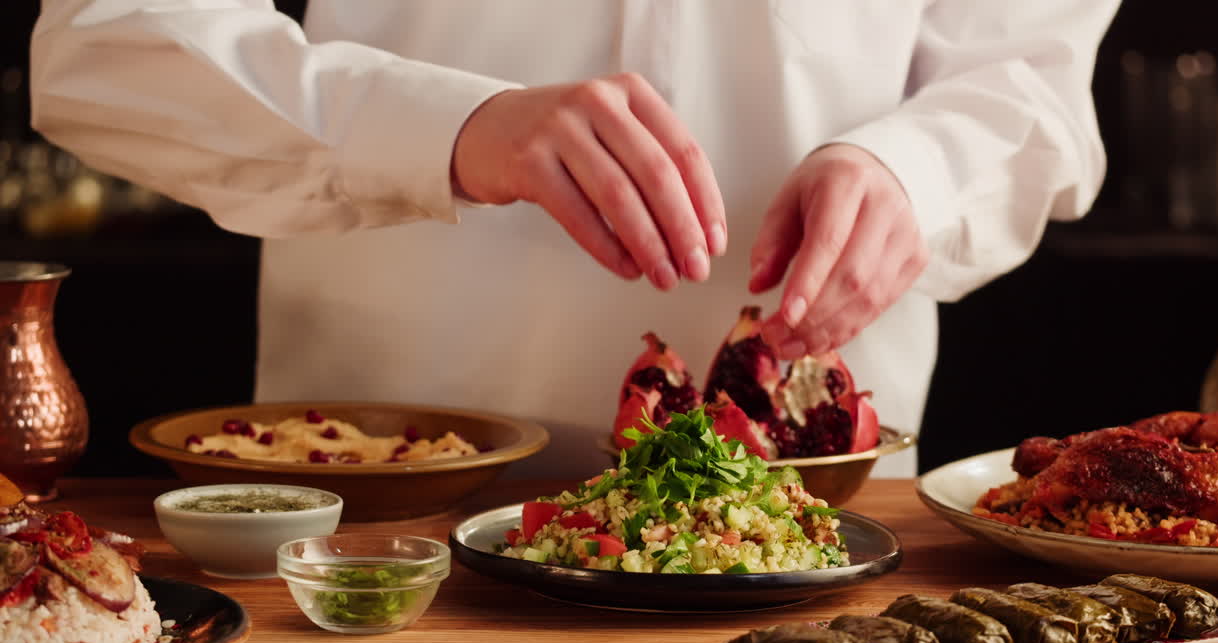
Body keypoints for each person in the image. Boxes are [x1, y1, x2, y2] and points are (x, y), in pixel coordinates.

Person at [29, 0, 1119, 479]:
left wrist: (916, 170)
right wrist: (445, 129)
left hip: (811, 521)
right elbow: (102, 42)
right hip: (379, 505)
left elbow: (1032, 80)